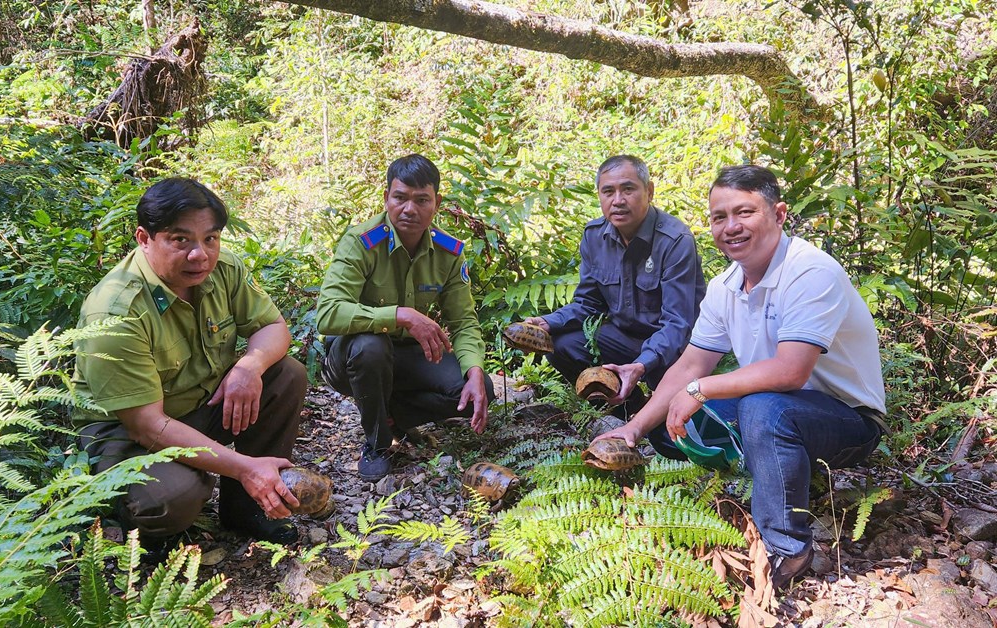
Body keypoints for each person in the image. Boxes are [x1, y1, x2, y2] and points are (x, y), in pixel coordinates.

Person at [597, 165, 887, 589]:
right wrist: (635, 427)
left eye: (744, 212)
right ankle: (776, 474)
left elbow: (791, 371)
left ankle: (788, 548)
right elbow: (691, 365)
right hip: (781, 413)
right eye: (719, 217)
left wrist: (701, 389)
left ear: (779, 213)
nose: (731, 227)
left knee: (763, 410)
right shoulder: (726, 285)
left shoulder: (810, 271)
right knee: (670, 424)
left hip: (848, 421)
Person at [74, 177, 308, 558]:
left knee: (286, 375)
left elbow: (272, 327)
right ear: (144, 239)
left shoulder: (223, 270)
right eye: (180, 240)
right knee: (174, 495)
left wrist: (249, 366)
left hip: (198, 406)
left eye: (210, 239)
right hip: (128, 436)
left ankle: (246, 511)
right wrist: (245, 467)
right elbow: (146, 424)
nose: (200, 254)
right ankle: (148, 530)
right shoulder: (116, 310)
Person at [316, 154, 494, 482]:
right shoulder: (361, 242)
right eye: (400, 198)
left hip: (406, 357)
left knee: (476, 390)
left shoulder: (448, 252)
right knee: (371, 347)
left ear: (436, 203)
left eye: (421, 200)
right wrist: (400, 316)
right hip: (353, 357)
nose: (409, 209)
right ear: (386, 198)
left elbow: (464, 321)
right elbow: (328, 313)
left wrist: (474, 369)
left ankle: (389, 414)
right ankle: (377, 442)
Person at [525, 155, 705, 416]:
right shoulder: (594, 236)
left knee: (678, 420)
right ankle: (624, 409)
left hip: (674, 349)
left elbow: (678, 323)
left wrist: (643, 364)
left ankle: (652, 409)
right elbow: (588, 303)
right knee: (561, 343)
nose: (618, 200)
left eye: (628, 189)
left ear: (649, 191)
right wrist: (548, 321)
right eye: (608, 191)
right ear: (599, 195)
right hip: (622, 339)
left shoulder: (675, 240)